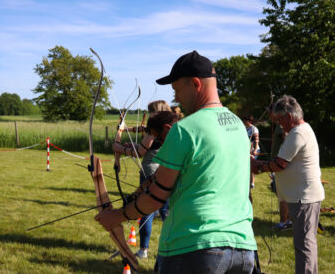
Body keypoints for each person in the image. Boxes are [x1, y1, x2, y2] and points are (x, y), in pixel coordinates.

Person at [96, 50, 256, 273]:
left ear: (196, 83)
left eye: (178, 90)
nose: (177, 98)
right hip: (243, 250)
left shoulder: (185, 130)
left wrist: (116, 216)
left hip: (195, 248)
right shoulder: (238, 126)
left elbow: (155, 199)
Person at [251, 95, 325, 274]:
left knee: (304, 246)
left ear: (289, 117)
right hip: (302, 197)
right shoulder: (299, 131)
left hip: (304, 198)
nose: (279, 124)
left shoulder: (298, 132)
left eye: (279, 120)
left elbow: (279, 164)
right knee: (306, 244)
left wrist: (257, 167)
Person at [112, 100, 171, 259]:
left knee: (146, 211)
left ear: (156, 112)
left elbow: (140, 152)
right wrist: (125, 130)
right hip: (166, 171)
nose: (150, 114)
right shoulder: (166, 128)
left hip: (150, 172)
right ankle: (169, 249)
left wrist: (120, 149)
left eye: (151, 111)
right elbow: (142, 130)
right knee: (166, 212)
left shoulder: (154, 131)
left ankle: (144, 250)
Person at [242, 115, 260, 189]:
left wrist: (255, 150)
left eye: (245, 120)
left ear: (249, 121)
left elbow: (256, 140)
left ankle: (252, 183)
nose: (243, 122)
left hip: (253, 150)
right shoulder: (245, 128)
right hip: (246, 150)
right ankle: (246, 182)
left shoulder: (254, 129)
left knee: (251, 166)